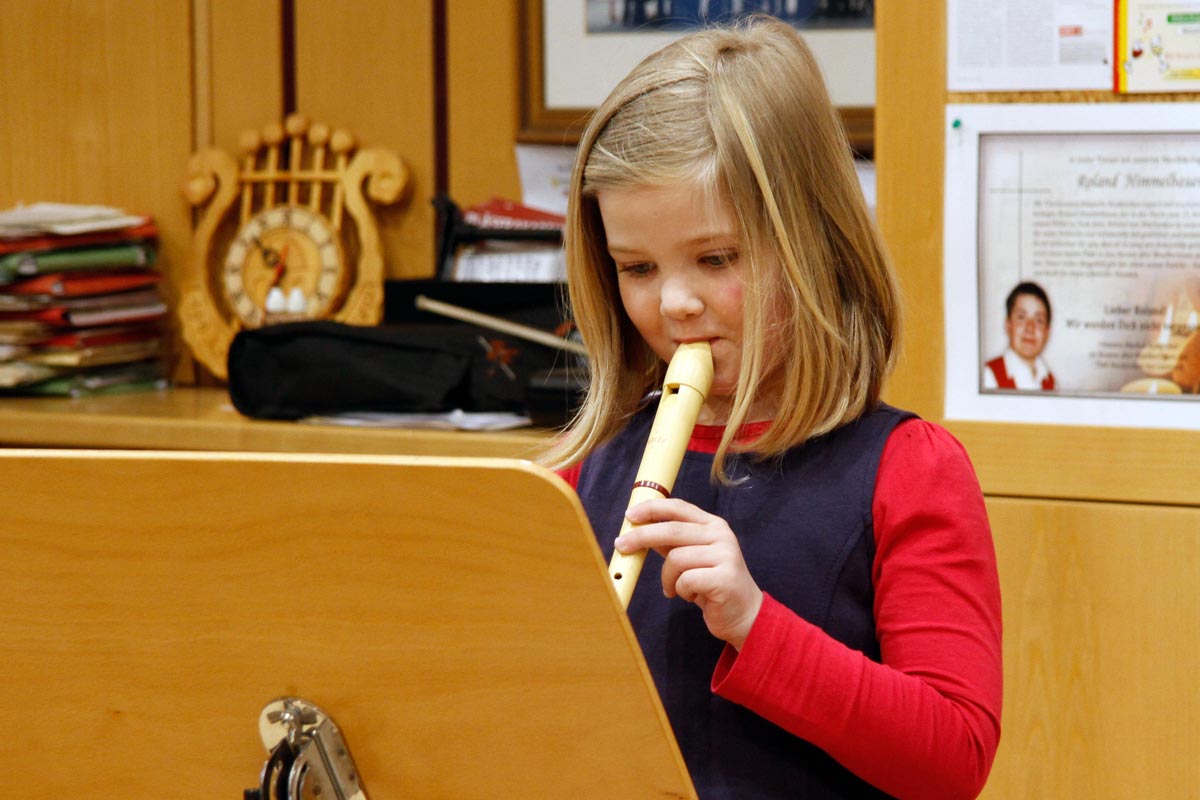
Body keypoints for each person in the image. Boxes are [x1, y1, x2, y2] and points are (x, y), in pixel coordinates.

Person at [542, 15, 1002, 800]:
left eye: (716, 258)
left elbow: (953, 760)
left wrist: (756, 623)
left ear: (810, 243)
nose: (675, 302)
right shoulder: (584, 475)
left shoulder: (908, 469)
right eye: (638, 267)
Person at [984, 282, 1055, 391]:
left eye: (1039, 320)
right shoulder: (989, 376)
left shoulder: (1050, 382)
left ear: (1047, 332)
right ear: (1008, 325)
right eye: (1021, 317)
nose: (1030, 328)